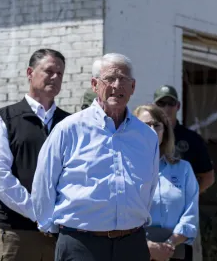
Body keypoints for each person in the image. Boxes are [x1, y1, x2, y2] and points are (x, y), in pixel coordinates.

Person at [32, 53, 160, 261]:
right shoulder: (68, 129)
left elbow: (150, 186)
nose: (117, 85)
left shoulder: (147, 136)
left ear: (133, 87)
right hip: (81, 244)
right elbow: (44, 182)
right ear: (94, 84)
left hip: (132, 245)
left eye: (124, 80)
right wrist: (51, 228)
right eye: (109, 78)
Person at [0, 48, 70, 261]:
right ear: (30, 73)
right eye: (49, 71)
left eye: (60, 74)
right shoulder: (3, 119)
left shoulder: (69, 123)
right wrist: (39, 214)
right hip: (15, 235)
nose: (55, 77)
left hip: (59, 237)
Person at [154, 84, 214, 261]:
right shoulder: (144, 137)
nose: (165, 108)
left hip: (183, 223)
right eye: (161, 103)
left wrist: (187, 197)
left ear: (178, 106)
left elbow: (208, 176)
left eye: (170, 103)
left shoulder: (192, 139)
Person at [134, 104, 199, 261]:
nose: (151, 130)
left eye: (156, 125)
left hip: (175, 251)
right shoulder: (126, 169)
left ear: (165, 132)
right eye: (145, 125)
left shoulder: (183, 169)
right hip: (136, 250)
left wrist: (169, 244)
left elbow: (191, 214)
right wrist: (148, 247)